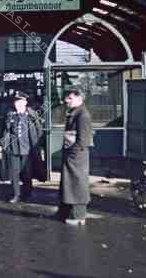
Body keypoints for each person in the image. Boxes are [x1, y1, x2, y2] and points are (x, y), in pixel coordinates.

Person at [56, 88, 93, 225]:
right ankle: (65, 212)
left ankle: (78, 216)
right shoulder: (75, 112)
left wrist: (73, 154)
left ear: (79, 99)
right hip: (72, 155)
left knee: (77, 186)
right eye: (67, 98)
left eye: (70, 98)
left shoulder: (83, 115)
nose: (66, 101)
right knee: (68, 185)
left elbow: (83, 139)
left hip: (76, 157)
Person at [2, 91, 43, 203]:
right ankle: (16, 194)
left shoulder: (31, 114)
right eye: (16, 101)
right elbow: (6, 131)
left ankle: (27, 193)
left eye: (20, 101)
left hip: (27, 149)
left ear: (25, 102)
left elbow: (39, 130)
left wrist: (34, 143)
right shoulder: (10, 114)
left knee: (27, 172)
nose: (17, 104)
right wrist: (6, 145)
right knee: (14, 173)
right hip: (13, 148)